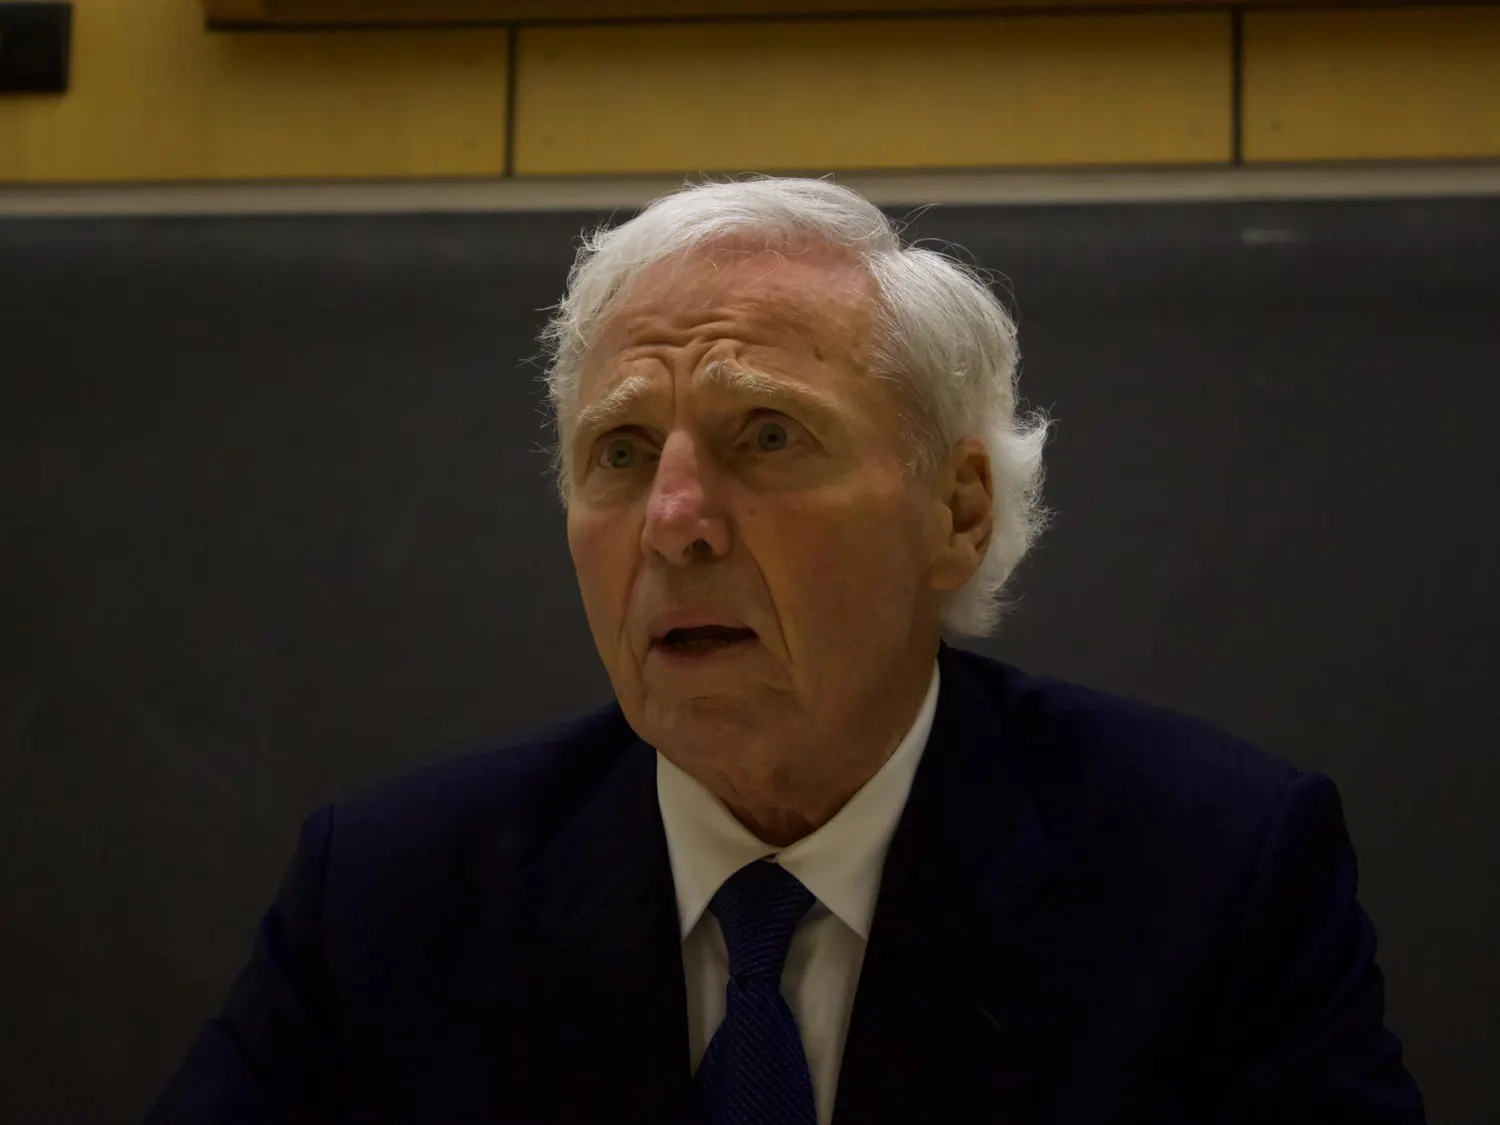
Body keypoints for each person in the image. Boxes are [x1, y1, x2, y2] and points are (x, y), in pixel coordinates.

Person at [145, 177, 1425, 1125]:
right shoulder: (387, 897)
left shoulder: (1214, 882)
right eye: (623, 453)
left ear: (957, 512)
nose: (675, 523)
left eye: (766, 437)